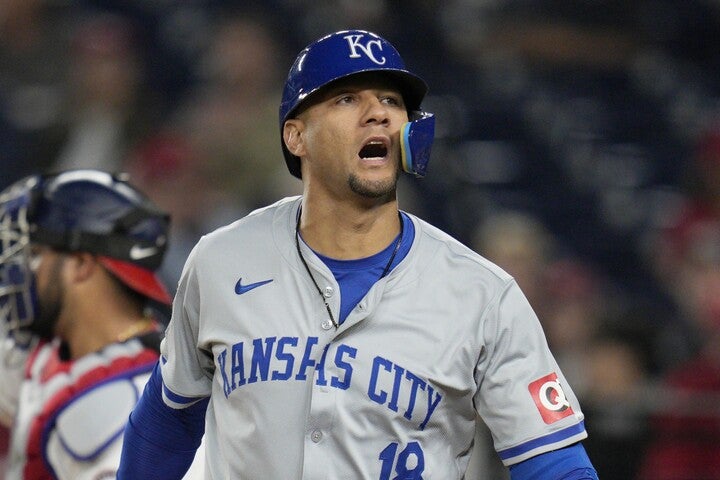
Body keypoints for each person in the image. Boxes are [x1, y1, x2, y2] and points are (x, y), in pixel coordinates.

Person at [118, 30, 598, 479]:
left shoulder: (482, 295)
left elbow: (554, 461)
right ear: (296, 137)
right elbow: (169, 420)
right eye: (348, 99)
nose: (379, 114)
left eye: (391, 101)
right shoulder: (221, 262)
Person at [0, 169, 202, 479]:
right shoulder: (48, 351)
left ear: (81, 264)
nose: (19, 273)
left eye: (35, 254)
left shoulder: (142, 400)